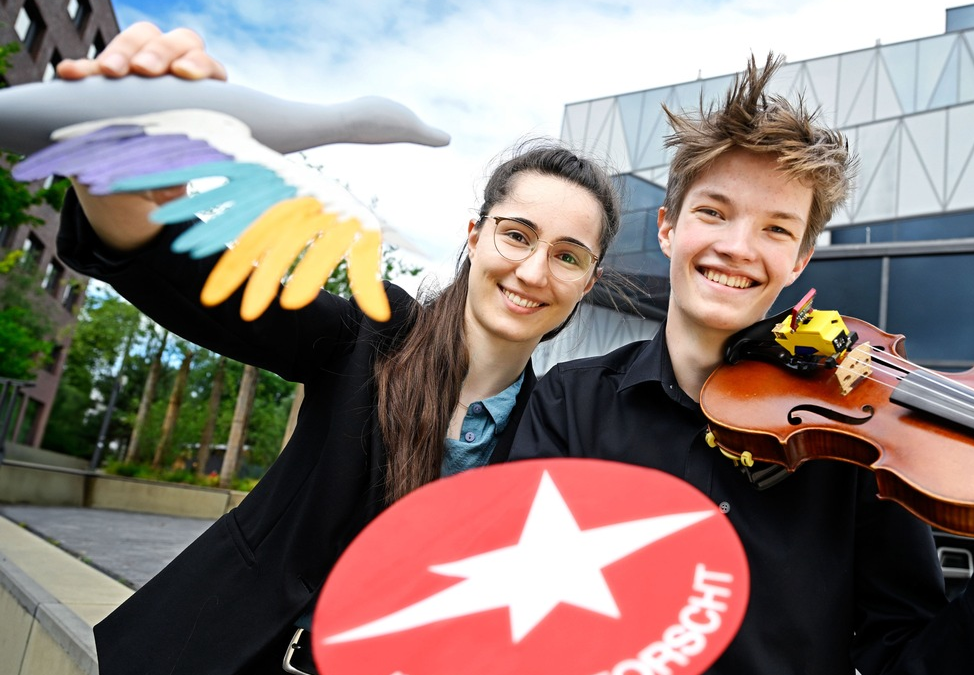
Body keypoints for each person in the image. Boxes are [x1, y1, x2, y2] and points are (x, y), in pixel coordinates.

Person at [510, 53, 974, 674]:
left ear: (801, 259)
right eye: (714, 212)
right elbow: (515, 617)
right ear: (667, 226)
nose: (739, 247)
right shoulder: (569, 405)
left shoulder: (855, 448)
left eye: (776, 227)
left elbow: (912, 662)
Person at [54, 25, 621, 675]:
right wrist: (118, 174)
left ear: (589, 280)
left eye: (568, 255)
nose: (533, 270)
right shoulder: (372, 333)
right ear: (475, 233)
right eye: (517, 235)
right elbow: (192, 273)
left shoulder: (557, 428)